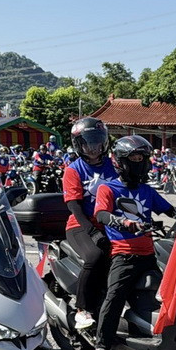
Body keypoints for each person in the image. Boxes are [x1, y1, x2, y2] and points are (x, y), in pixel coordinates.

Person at [91, 135, 176, 350]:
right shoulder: (108, 187)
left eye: (144, 158)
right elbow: (101, 214)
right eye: (136, 158)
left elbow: (171, 210)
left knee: (174, 292)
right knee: (114, 298)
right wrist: (122, 222)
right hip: (123, 255)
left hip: (150, 254)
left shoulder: (147, 191)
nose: (141, 163)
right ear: (120, 161)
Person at [62, 117, 118, 333]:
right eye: (87, 143)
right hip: (80, 225)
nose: (93, 148)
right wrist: (92, 231)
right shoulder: (73, 170)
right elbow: (74, 206)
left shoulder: (114, 165)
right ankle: (82, 308)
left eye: (96, 142)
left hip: (111, 224)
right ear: (78, 145)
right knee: (95, 256)